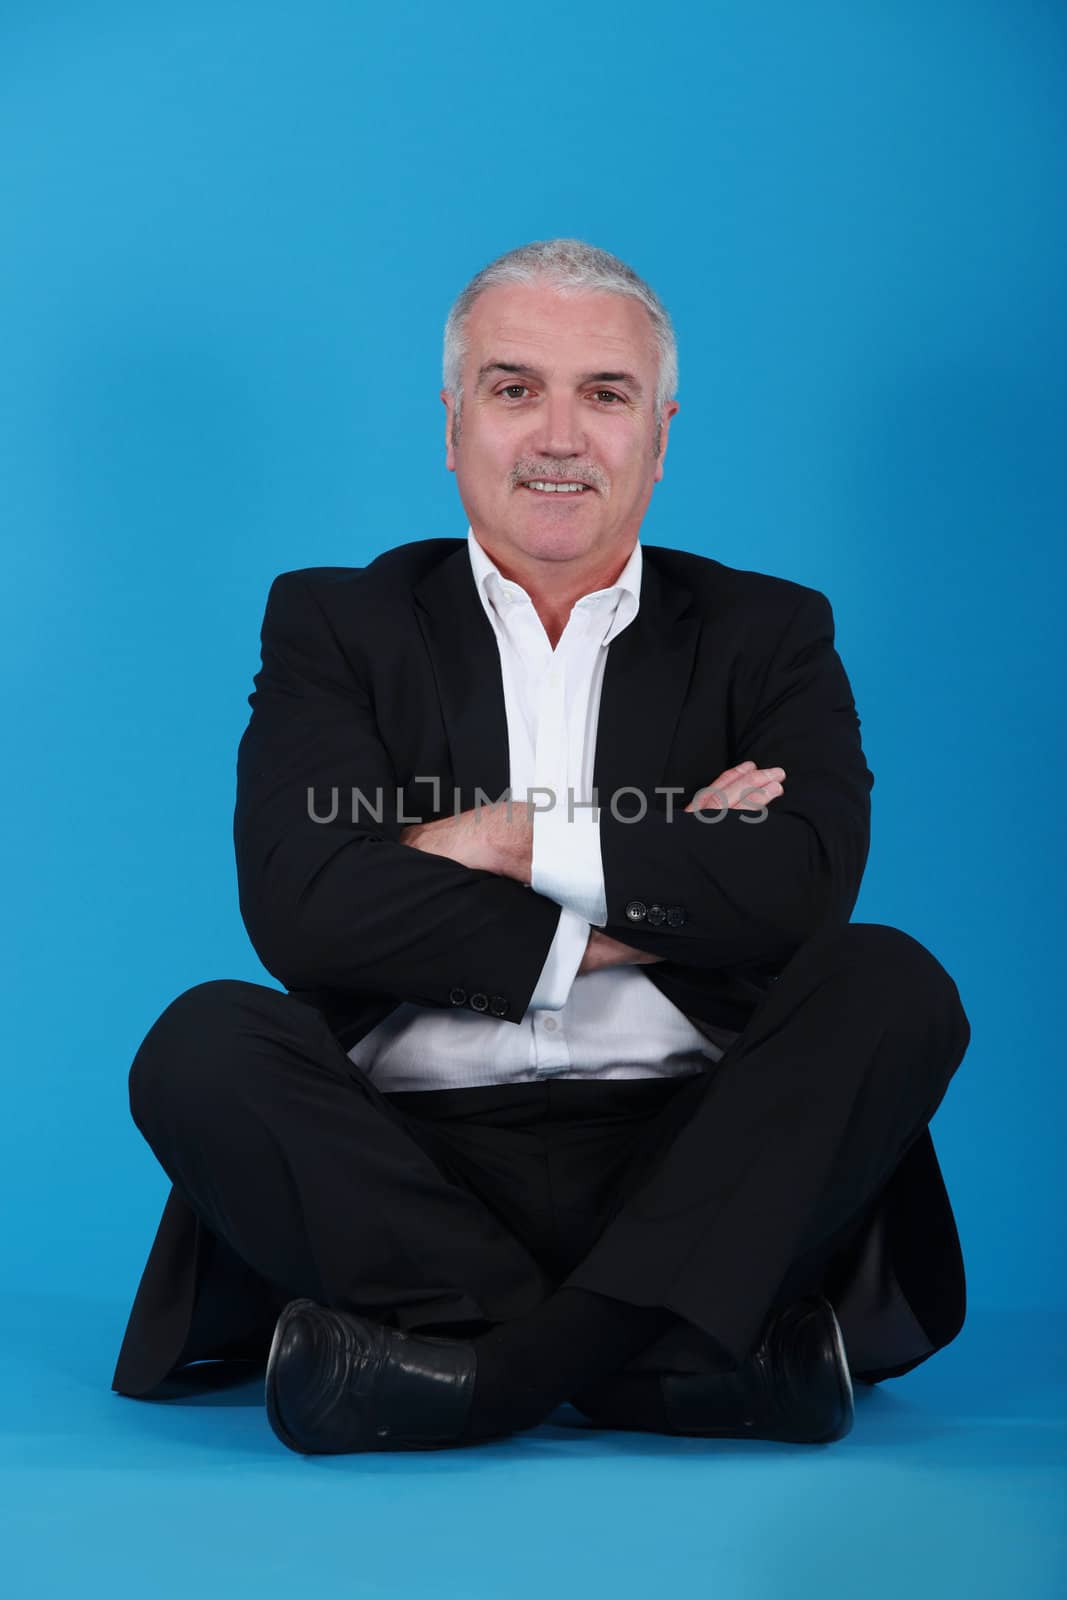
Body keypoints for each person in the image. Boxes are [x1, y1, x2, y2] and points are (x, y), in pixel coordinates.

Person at [111, 238, 971, 1455]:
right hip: (408, 1165)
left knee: (889, 984)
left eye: (603, 394)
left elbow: (800, 891)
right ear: (452, 425)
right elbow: (306, 905)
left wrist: (497, 842)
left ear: (659, 435)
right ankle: (664, 1367)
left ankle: (486, 1374)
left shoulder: (765, 630)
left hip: (702, 1152)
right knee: (200, 1044)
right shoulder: (336, 622)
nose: (558, 436)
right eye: (515, 389)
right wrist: (659, 881)